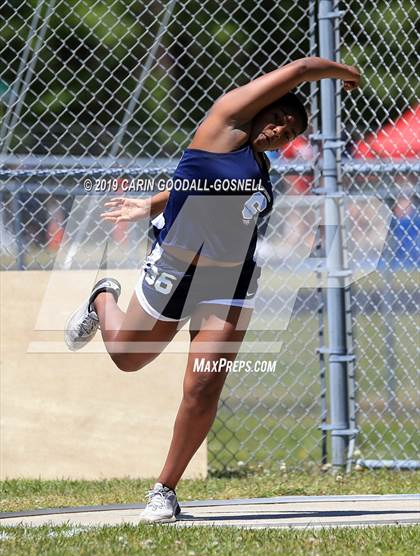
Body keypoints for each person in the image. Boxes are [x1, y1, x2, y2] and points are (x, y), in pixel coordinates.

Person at [65, 56, 360, 522]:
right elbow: (303, 69)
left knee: (203, 385)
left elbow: (198, 183)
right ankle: (103, 296)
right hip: (175, 270)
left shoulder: (259, 167)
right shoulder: (223, 122)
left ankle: (164, 489)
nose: (284, 130)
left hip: (231, 282)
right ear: (260, 107)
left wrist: (152, 202)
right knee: (127, 357)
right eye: (281, 117)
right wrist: (346, 74)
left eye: (293, 132)